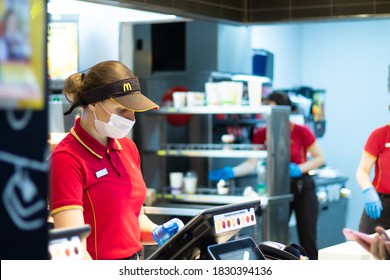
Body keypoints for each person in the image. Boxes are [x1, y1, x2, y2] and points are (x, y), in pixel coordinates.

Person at [49, 60, 184, 260]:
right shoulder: (66, 159)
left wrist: (160, 232)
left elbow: (133, 219)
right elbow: (73, 251)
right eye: (122, 110)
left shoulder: (128, 148)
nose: (131, 119)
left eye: (134, 111)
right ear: (94, 103)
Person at [208, 91, 325, 260]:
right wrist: (231, 172)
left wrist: (299, 168)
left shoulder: (301, 131)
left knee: (307, 238)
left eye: (270, 107)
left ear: (283, 110)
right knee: (275, 241)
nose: (266, 112)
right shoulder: (261, 133)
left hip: (301, 187)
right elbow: (251, 164)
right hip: (275, 187)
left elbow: (320, 158)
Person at [355, 124, 390, 234]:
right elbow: (363, 170)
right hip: (381, 204)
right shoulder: (380, 135)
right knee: (366, 248)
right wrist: (368, 190)